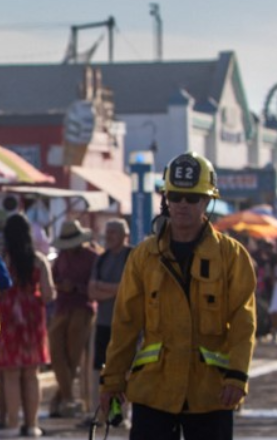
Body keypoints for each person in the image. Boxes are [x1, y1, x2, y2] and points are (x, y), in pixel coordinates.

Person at [100, 152, 257, 440]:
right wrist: (112, 380)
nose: (182, 204)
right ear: (165, 198)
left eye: (192, 198)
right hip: (155, 392)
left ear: (207, 201)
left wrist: (238, 375)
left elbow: (243, 321)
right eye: (175, 196)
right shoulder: (144, 257)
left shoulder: (232, 257)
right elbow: (125, 323)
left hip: (210, 393)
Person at [0, 213, 54, 438]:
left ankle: (12, 422)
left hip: (8, 320)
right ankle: (32, 424)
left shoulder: (3, 260)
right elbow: (48, 295)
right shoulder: (39, 260)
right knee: (31, 373)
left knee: (10, 373)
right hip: (33, 321)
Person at [47, 219, 98, 418]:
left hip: (82, 309)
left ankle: (61, 400)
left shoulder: (92, 257)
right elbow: (53, 279)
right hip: (61, 308)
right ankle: (67, 399)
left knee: (72, 357)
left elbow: (95, 285)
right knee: (57, 354)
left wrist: (76, 287)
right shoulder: (61, 258)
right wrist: (61, 285)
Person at [86, 219, 131, 424]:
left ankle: (122, 413)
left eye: (114, 232)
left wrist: (104, 287)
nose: (109, 236)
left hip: (127, 324)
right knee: (99, 368)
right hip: (104, 322)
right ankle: (101, 414)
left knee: (126, 368)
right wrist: (115, 289)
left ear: (124, 235)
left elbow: (129, 290)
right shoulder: (101, 259)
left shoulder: (131, 256)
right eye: (108, 231)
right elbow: (91, 291)